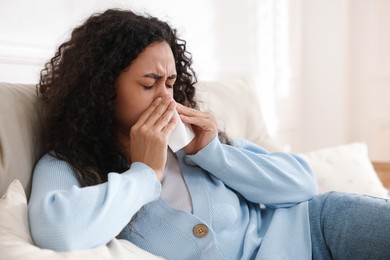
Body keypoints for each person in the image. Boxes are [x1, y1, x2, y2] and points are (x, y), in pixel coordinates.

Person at [28, 8, 390, 260]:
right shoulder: (70, 164)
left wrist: (214, 153)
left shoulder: (191, 141)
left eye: (170, 82)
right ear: (101, 88)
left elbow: (302, 185)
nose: (166, 97)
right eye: (149, 83)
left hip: (318, 229)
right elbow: (57, 232)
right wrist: (145, 174)